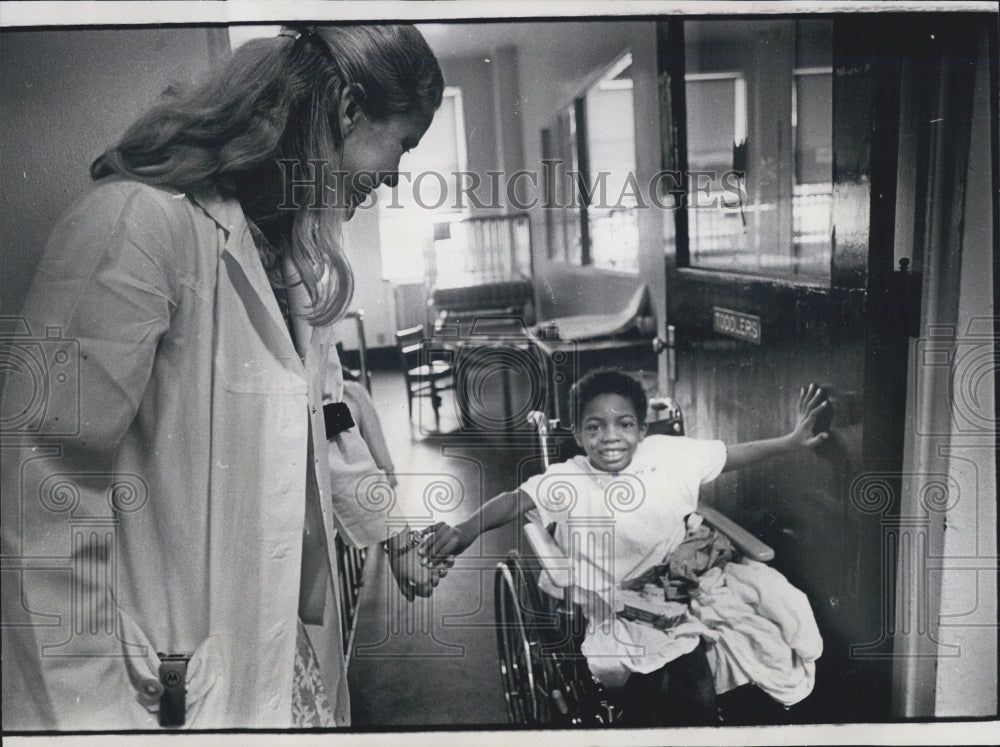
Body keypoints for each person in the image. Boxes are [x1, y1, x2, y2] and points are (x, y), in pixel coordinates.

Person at [1, 24, 445, 730]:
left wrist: (391, 533)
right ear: (349, 109)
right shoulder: (136, 225)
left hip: (275, 654)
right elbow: (38, 489)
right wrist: (91, 721)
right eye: (404, 145)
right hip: (161, 690)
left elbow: (322, 427)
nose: (395, 175)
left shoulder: (289, 260)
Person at [423, 368, 829, 726]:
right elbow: (514, 500)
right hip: (614, 600)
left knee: (778, 615)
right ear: (578, 434)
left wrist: (791, 441)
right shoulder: (569, 477)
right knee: (676, 679)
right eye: (595, 427)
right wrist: (465, 530)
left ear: (642, 429)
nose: (610, 437)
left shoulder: (668, 455)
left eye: (624, 424)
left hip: (679, 582)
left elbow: (731, 456)